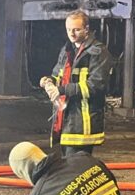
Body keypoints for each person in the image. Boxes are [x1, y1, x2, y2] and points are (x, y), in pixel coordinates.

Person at [40, 10, 111, 156]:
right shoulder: (67, 50)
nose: (71, 34)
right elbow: (57, 74)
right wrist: (48, 81)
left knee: (76, 165)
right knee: (67, 162)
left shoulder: (98, 52)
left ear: (87, 29)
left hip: (83, 121)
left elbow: (96, 86)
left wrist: (61, 90)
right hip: (66, 118)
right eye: (68, 30)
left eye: (76, 30)